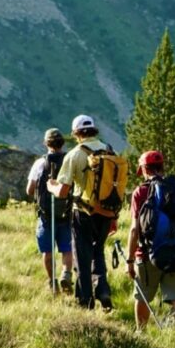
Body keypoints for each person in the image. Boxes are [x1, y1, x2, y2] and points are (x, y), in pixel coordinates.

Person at [126, 150, 175, 348]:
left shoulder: (141, 192)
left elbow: (134, 229)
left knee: (142, 297)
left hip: (149, 254)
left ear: (143, 169)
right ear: (162, 166)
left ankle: (140, 334)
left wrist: (130, 260)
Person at [47, 114, 118, 311]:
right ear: (93, 130)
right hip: (106, 212)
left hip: (84, 212)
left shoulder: (75, 155)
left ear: (76, 133)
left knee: (81, 257)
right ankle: (103, 289)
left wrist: (50, 186)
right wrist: (114, 217)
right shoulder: (109, 150)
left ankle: (85, 301)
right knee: (98, 251)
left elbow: (62, 192)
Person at [26, 128, 74, 291]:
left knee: (47, 250)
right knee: (67, 248)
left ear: (46, 143)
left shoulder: (40, 163)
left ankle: (52, 281)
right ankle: (66, 274)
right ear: (63, 142)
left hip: (46, 214)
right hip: (67, 212)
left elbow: (30, 189)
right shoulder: (70, 160)